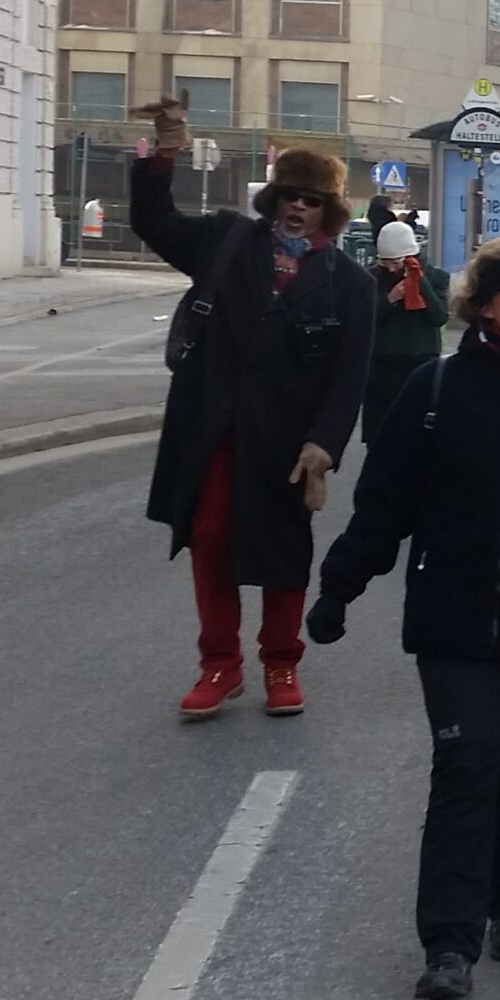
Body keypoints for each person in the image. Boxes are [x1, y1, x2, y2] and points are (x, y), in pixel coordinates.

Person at [306, 231, 500, 1000]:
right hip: (454, 618)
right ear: (485, 304)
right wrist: (340, 585)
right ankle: (449, 942)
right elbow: (385, 502)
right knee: (467, 766)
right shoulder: (436, 389)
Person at [126, 91, 373, 720]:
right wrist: (165, 153)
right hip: (214, 426)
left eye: (312, 200)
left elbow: (350, 375)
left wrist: (324, 443)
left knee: (282, 550)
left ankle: (281, 662)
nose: (299, 207)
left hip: (289, 442)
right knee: (209, 537)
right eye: (290, 195)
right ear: (274, 199)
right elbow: (154, 222)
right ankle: (220, 664)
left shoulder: (351, 284)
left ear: (329, 211)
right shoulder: (226, 240)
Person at [363, 218, 449, 443]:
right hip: (382, 363)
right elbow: (364, 319)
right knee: (380, 433)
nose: (391, 268)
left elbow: (439, 316)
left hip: (422, 358)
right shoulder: (372, 278)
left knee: (418, 432)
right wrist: (390, 299)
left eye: (396, 262)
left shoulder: (436, 277)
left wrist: (421, 284)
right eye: (385, 262)